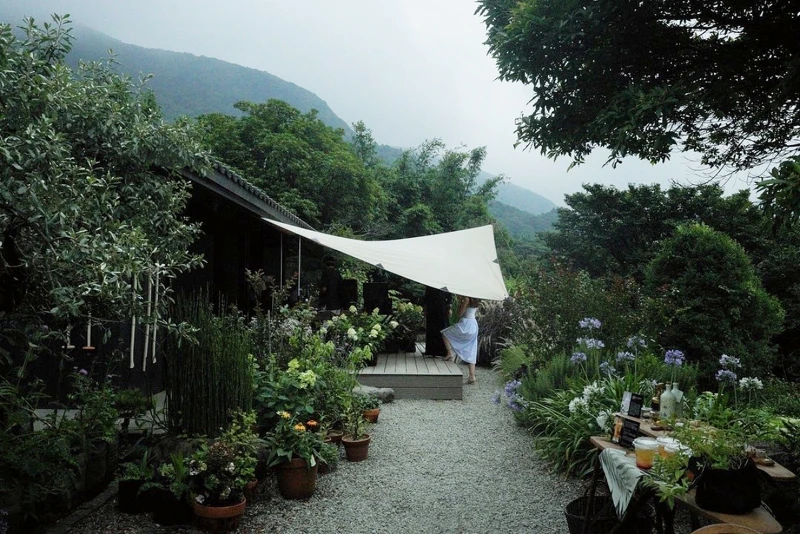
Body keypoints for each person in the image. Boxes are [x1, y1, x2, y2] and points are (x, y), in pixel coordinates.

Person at [441, 295, 480, 384]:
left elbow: (459, 314)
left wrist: (460, 303)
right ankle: (472, 376)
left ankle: (450, 353)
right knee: (472, 348)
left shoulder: (466, 299)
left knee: (445, 333)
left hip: (466, 324)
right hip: (473, 324)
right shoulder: (476, 299)